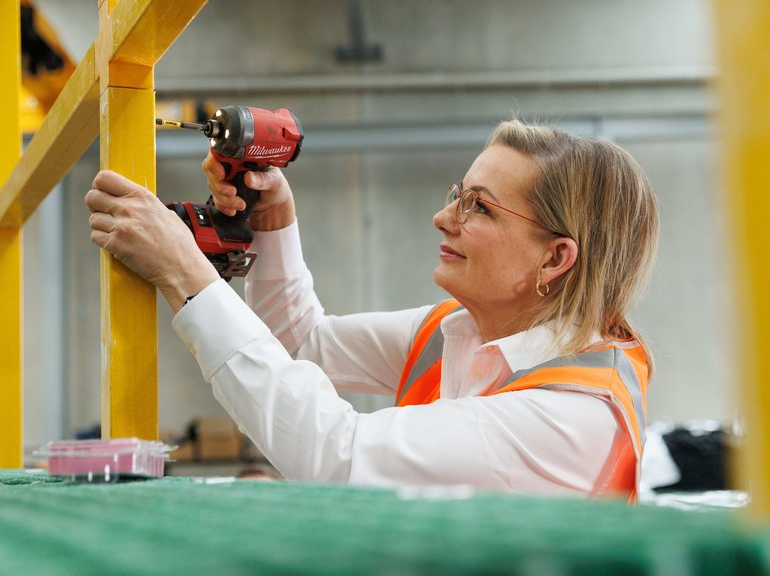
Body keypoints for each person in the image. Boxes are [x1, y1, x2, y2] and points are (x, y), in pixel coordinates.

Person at [85, 119, 659, 500]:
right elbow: (302, 345)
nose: (444, 217)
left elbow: (340, 457)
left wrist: (186, 272)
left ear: (555, 258)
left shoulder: (571, 415)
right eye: (458, 193)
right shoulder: (457, 332)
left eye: (479, 207)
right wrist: (271, 221)